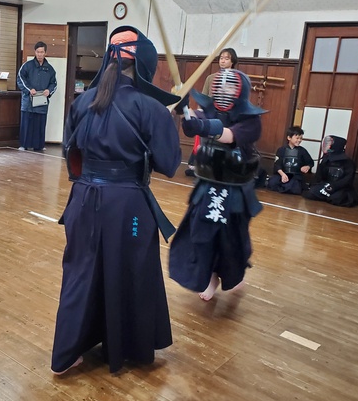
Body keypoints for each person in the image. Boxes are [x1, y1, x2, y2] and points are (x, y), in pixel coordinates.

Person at [51, 26, 182, 375]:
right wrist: (171, 120)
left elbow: (70, 153)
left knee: (80, 273)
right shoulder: (150, 108)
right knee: (131, 272)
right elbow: (169, 164)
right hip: (128, 209)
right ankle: (127, 348)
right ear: (144, 65)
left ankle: (67, 353)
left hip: (82, 201)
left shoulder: (82, 102)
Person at [170, 68, 265, 301]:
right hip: (209, 183)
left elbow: (228, 135)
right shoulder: (209, 111)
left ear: (240, 91)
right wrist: (183, 108)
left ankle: (233, 271)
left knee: (231, 238)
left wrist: (202, 124)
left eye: (230, 86)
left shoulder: (251, 121)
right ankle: (211, 276)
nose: (224, 90)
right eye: (220, 86)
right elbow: (193, 124)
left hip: (235, 188)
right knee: (202, 232)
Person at [185, 48, 237, 177]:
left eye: (226, 58)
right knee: (206, 145)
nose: (223, 61)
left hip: (227, 119)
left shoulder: (237, 79)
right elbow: (203, 98)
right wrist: (199, 116)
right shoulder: (211, 78)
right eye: (221, 58)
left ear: (232, 61)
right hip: (210, 116)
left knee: (222, 147)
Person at [16, 41, 57, 152]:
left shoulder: (50, 69)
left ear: (45, 53)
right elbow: (20, 79)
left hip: (42, 102)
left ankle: (39, 145)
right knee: (26, 124)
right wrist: (29, 89)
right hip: (28, 102)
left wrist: (49, 91)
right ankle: (24, 145)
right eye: (38, 52)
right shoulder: (27, 66)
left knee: (40, 124)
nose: (39, 54)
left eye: (42, 52)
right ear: (35, 52)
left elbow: (54, 83)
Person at [303, 135, 358, 207]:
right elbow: (319, 177)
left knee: (337, 198)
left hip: (340, 188)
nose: (327, 146)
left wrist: (333, 186)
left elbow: (347, 180)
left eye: (329, 145)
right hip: (326, 185)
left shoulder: (348, 163)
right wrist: (316, 186)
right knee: (311, 192)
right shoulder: (326, 160)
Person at [266, 125, 314, 194]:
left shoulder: (302, 151)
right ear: (289, 138)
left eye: (301, 138)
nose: (299, 140)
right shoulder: (281, 150)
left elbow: (310, 162)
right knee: (272, 182)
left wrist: (307, 166)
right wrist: (283, 175)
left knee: (294, 187)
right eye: (297, 138)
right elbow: (277, 165)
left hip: (295, 176)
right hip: (283, 174)